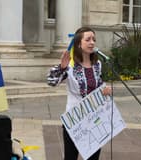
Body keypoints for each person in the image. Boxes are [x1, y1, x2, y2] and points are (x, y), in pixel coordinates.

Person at [47, 26, 112, 160]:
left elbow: (98, 85)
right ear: (78, 44)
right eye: (88, 39)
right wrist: (61, 68)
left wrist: (105, 90)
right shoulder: (70, 66)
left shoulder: (97, 64)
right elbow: (51, 81)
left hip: (94, 118)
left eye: (94, 39)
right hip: (74, 120)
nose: (92, 42)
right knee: (71, 157)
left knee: (93, 157)